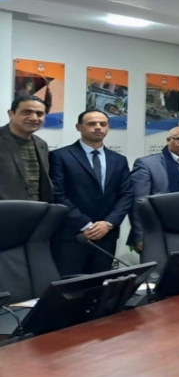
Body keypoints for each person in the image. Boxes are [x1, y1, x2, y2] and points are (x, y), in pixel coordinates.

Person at [48, 110, 133, 276]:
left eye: (103, 124)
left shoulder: (119, 160)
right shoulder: (60, 156)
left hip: (106, 236)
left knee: (100, 285)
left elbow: (126, 195)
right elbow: (57, 194)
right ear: (78, 127)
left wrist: (108, 223)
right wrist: (87, 225)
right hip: (72, 236)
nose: (98, 127)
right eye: (92, 124)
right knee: (69, 286)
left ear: (108, 128)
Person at [128, 126, 179, 250]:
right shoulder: (148, 164)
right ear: (169, 140)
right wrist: (140, 237)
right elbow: (138, 204)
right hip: (159, 231)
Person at [0, 96, 53, 202]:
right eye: (26, 112)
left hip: (37, 209)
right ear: (11, 114)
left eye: (39, 114)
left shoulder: (41, 144)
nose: (34, 118)